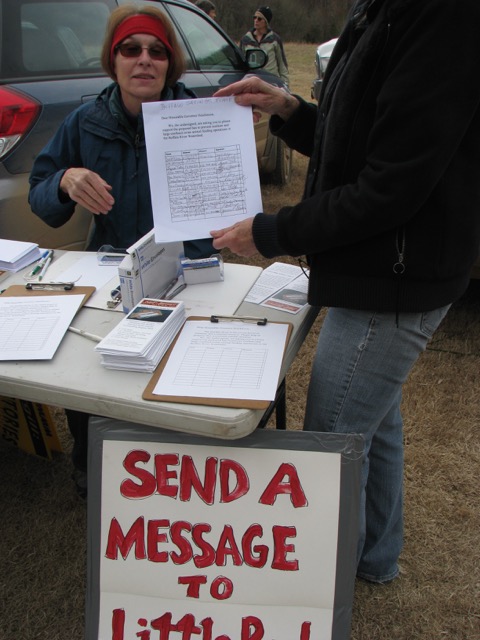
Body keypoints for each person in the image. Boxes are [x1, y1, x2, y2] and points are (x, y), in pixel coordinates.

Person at [211, 0, 480, 585]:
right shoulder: (380, 11)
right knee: (375, 422)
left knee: (330, 441)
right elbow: (358, 142)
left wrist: (274, 231)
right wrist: (289, 109)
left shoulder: (443, 18)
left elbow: (390, 186)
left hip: (396, 277)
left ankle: (321, 591)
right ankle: (374, 559)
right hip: (384, 269)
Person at [28, 3, 215, 498]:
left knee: (179, 381)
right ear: (113, 60)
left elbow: (228, 206)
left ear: (170, 63)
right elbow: (40, 194)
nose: (144, 59)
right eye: (130, 49)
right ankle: (91, 461)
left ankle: (177, 471)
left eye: (157, 50)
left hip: (187, 271)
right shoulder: (83, 122)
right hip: (109, 272)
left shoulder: (198, 119)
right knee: (88, 372)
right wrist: (64, 180)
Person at [240, 6, 288, 86]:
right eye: (254, 18)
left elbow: (282, 64)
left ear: (266, 22)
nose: (256, 20)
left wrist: (285, 84)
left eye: (259, 19)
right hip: (252, 81)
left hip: (272, 82)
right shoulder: (246, 39)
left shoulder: (275, 39)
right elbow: (241, 64)